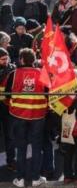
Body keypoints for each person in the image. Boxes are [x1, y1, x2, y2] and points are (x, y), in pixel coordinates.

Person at [6, 48, 47, 187]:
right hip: (38, 114)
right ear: (34, 60)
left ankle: (20, 179)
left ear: (21, 59)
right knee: (36, 146)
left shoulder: (13, 73)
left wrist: (13, 105)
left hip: (18, 114)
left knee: (21, 147)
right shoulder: (42, 73)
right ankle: (36, 178)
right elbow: (49, 93)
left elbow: (6, 95)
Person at [0, 48, 16, 172]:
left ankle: (11, 161)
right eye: (3, 59)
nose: (6, 61)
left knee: (10, 135)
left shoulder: (12, 69)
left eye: (7, 58)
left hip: (7, 106)